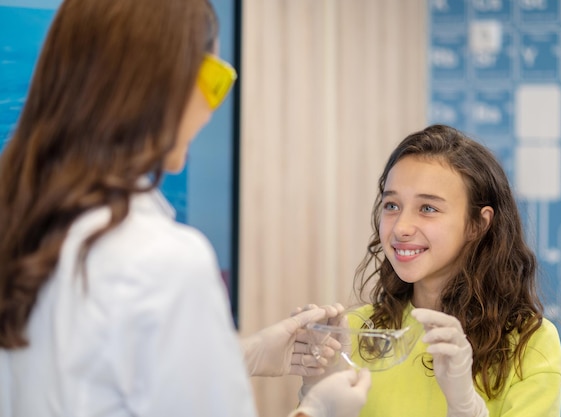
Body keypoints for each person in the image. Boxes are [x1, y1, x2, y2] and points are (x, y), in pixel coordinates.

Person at [0, 1, 370, 416]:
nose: (211, 108)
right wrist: (319, 409)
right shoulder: (163, 259)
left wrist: (244, 354)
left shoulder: (22, 227)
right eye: (212, 80)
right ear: (158, 83)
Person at [298, 124, 561, 416]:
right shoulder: (356, 332)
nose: (400, 228)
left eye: (427, 208)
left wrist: (465, 408)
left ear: (478, 224)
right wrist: (315, 391)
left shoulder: (529, 343)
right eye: (392, 205)